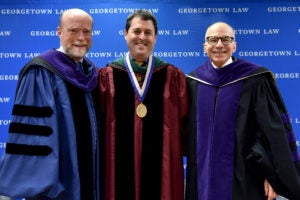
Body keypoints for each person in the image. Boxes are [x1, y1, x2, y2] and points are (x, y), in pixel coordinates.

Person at [185, 21, 300, 200]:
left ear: (234, 45)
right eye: (213, 40)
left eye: (226, 39)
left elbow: (272, 131)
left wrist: (272, 176)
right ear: (205, 47)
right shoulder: (193, 82)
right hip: (202, 180)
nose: (219, 45)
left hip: (245, 179)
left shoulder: (255, 80)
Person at [0, 8, 102, 200]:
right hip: (57, 184)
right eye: (73, 30)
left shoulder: (92, 73)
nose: (81, 37)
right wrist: (46, 186)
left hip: (91, 179)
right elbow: (33, 137)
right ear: (59, 32)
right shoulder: (40, 72)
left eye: (86, 32)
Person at [98, 9, 188, 200]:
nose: (142, 37)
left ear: (155, 37)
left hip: (162, 173)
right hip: (117, 172)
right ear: (125, 33)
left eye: (148, 33)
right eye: (136, 31)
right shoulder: (108, 75)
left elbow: (185, 127)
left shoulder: (172, 76)